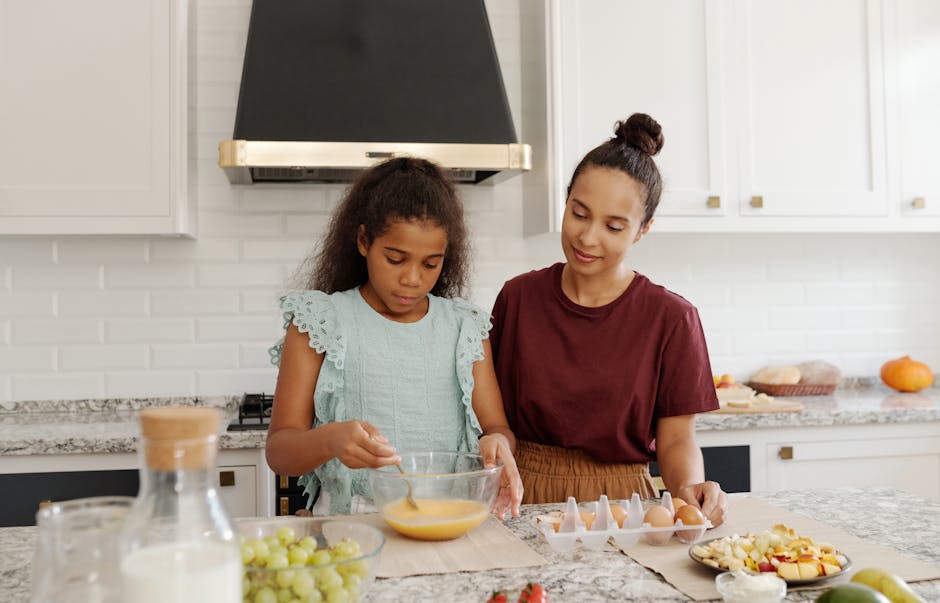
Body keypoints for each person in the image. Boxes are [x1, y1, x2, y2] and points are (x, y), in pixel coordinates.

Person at [489, 113, 728, 526]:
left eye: (614, 226)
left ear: (642, 230)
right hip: (522, 496)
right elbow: (492, 418)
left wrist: (689, 489)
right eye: (579, 213)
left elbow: (676, 440)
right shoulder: (518, 298)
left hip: (625, 505)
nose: (588, 237)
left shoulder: (672, 318)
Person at [266, 156, 522, 518]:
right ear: (363, 240)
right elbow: (279, 451)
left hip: (447, 514)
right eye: (396, 259)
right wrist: (330, 440)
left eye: (430, 264)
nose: (413, 279)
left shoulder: (464, 327)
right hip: (352, 521)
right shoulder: (320, 322)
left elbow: (497, 428)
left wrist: (497, 441)